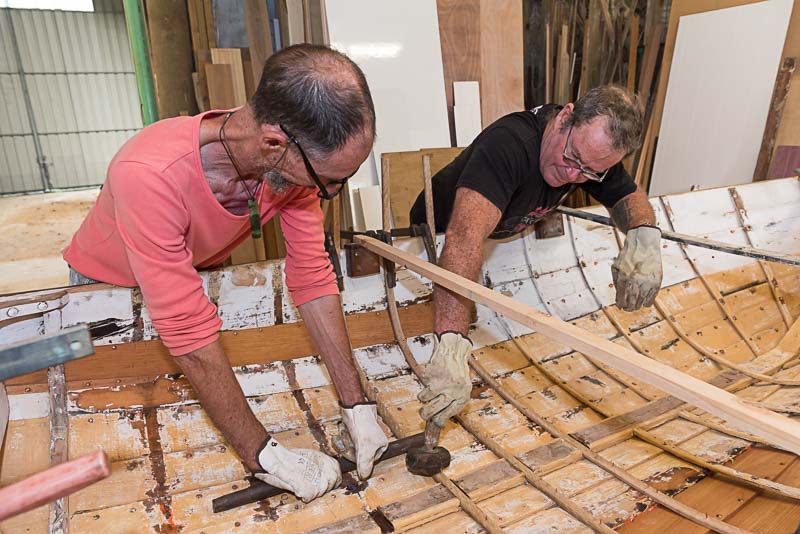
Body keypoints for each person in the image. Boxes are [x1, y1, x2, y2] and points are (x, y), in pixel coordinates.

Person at [63, 44, 388, 503]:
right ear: (274, 143)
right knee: (120, 417)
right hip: (104, 292)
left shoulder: (290, 160)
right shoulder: (148, 173)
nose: (331, 190)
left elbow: (312, 277)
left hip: (185, 272)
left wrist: (357, 405)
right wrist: (264, 456)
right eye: (329, 181)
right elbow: (187, 329)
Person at [408, 84, 663, 428]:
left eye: (589, 172)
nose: (573, 175)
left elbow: (628, 196)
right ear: (565, 117)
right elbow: (463, 239)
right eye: (572, 158)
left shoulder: (590, 150)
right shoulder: (509, 144)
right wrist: (451, 342)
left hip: (500, 230)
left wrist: (644, 235)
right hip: (431, 240)